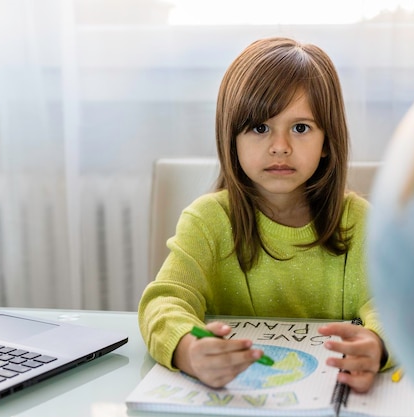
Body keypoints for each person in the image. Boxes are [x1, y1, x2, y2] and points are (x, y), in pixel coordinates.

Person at [138, 37, 392, 393]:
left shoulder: (360, 222)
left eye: (301, 128)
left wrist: (377, 347)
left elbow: (395, 307)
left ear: (327, 142)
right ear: (232, 140)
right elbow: (164, 301)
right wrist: (188, 350)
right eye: (260, 128)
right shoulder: (208, 220)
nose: (280, 146)